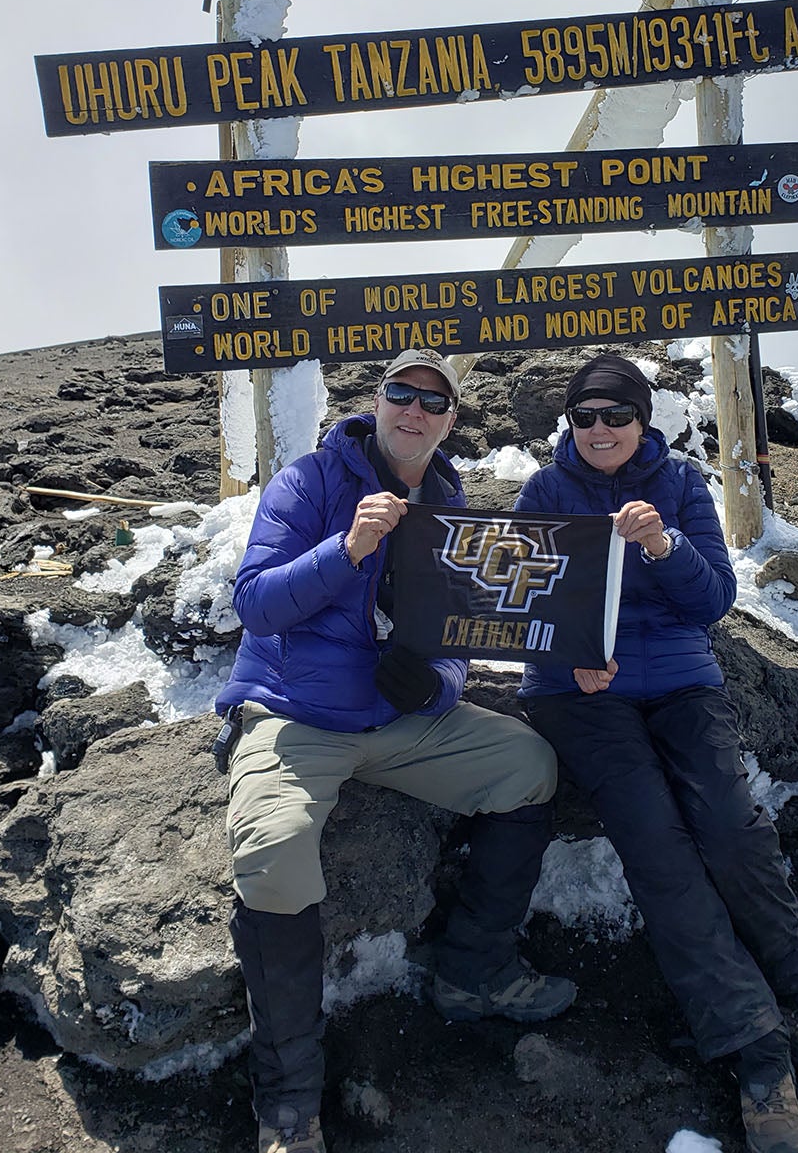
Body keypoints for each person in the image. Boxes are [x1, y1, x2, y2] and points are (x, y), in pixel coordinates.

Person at [216, 347, 575, 1153]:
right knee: (272, 857)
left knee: (528, 768)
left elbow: (456, 639)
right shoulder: (308, 484)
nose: (413, 411)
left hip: (396, 723)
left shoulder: (449, 504)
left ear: (450, 422)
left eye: (433, 402)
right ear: (375, 402)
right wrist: (344, 548)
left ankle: (471, 970)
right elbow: (256, 605)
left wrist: (438, 685)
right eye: (399, 394)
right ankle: (289, 1095)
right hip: (295, 714)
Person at [514, 353, 798, 1153]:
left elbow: (714, 602)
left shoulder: (683, 487)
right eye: (584, 416)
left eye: (615, 415)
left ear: (641, 420)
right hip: (583, 694)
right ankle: (758, 1053)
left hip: (683, 682)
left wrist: (663, 547)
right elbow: (517, 605)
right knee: (657, 848)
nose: (599, 430)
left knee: (731, 828)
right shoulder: (544, 493)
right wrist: (567, 658)